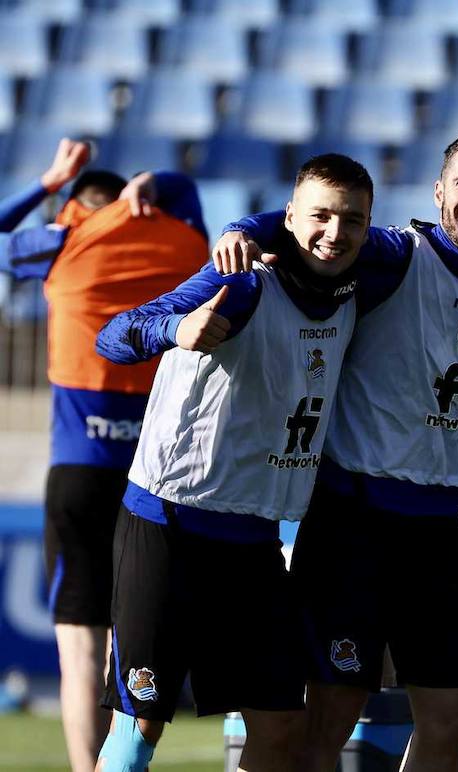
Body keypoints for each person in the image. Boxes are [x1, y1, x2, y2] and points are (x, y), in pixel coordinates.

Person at [213, 132, 458, 772]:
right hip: (354, 524)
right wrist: (243, 226)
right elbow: (314, 224)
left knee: (450, 717)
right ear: (438, 193)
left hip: (436, 528)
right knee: (331, 717)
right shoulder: (396, 255)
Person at [92, 153, 371, 772]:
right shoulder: (242, 284)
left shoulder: (359, 289)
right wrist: (175, 330)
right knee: (139, 726)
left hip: (254, 540)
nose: (335, 232)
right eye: (319, 216)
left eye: (352, 220)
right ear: (291, 219)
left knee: (279, 728)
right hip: (170, 523)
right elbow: (112, 334)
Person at [0, 139, 207, 772]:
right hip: (153, 474)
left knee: (80, 653)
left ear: (78, 210)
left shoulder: (66, 243)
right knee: (135, 644)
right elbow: (187, 195)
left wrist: (48, 180)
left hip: (79, 473)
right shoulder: (183, 244)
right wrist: (153, 182)